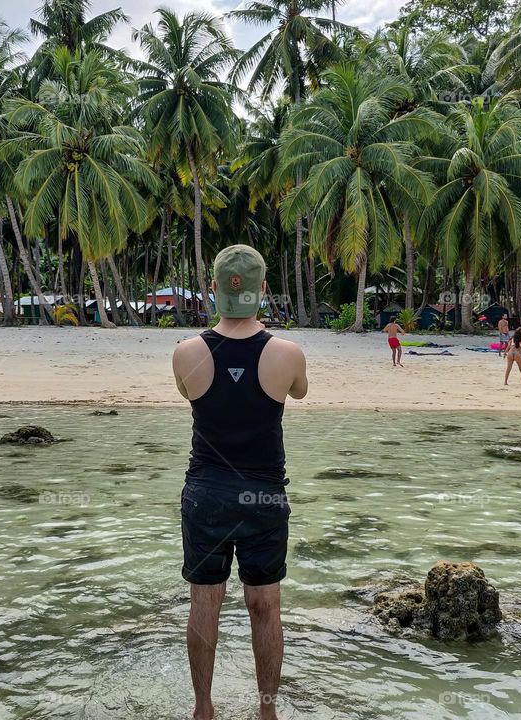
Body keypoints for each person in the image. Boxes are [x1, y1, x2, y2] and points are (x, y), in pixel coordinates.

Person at [172, 244, 308, 720]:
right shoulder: (287, 353)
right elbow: (299, 390)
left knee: (204, 602)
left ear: (213, 288)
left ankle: (203, 709)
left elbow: (190, 392)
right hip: (264, 495)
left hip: (206, 493)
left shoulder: (186, 352)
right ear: (263, 290)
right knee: (265, 605)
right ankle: (267, 711)